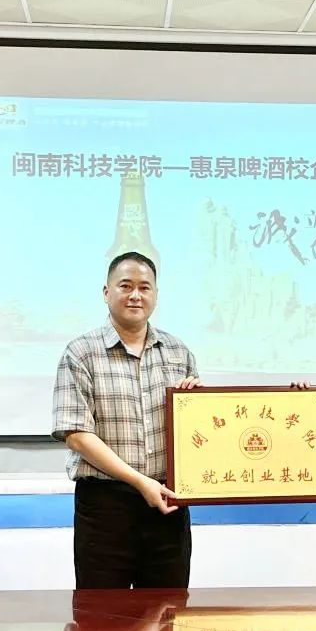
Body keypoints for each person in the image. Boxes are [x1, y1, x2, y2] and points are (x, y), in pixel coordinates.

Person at [52, 251, 201, 589]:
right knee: (102, 613)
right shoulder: (81, 353)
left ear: (155, 295)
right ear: (107, 292)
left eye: (144, 287)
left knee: (168, 609)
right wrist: (140, 482)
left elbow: (197, 434)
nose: (135, 295)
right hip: (105, 506)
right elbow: (76, 434)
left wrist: (198, 407)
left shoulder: (178, 352)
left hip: (167, 503)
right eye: (126, 286)